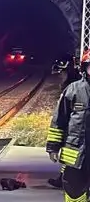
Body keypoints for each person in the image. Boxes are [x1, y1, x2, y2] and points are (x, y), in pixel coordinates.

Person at [48, 49, 90, 201]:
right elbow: (59, 120)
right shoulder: (73, 90)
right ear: (85, 68)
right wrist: (53, 147)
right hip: (76, 154)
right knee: (74, 193)